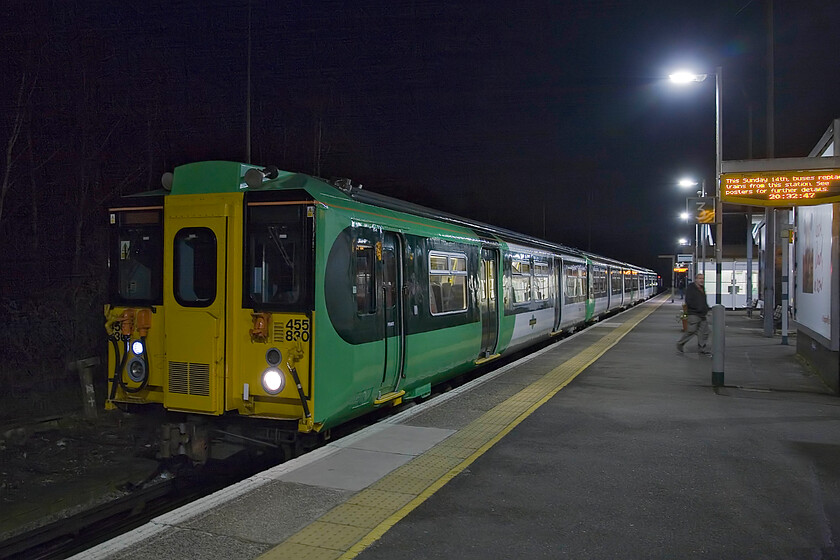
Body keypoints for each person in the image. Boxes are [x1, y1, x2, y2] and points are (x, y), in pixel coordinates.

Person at [676, 273, 711, 355]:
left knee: (705, 331)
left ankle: (702, 348)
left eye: (703, 278)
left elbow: (703, 300)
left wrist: (706, 308)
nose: (701, 280)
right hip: (694, 314)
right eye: (700, 278)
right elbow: (688, 300)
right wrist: (697, 308)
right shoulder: (691, 288)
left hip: (702, 314)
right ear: (696, 279)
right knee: (691, 331)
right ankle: (680, 343)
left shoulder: (702, 288)